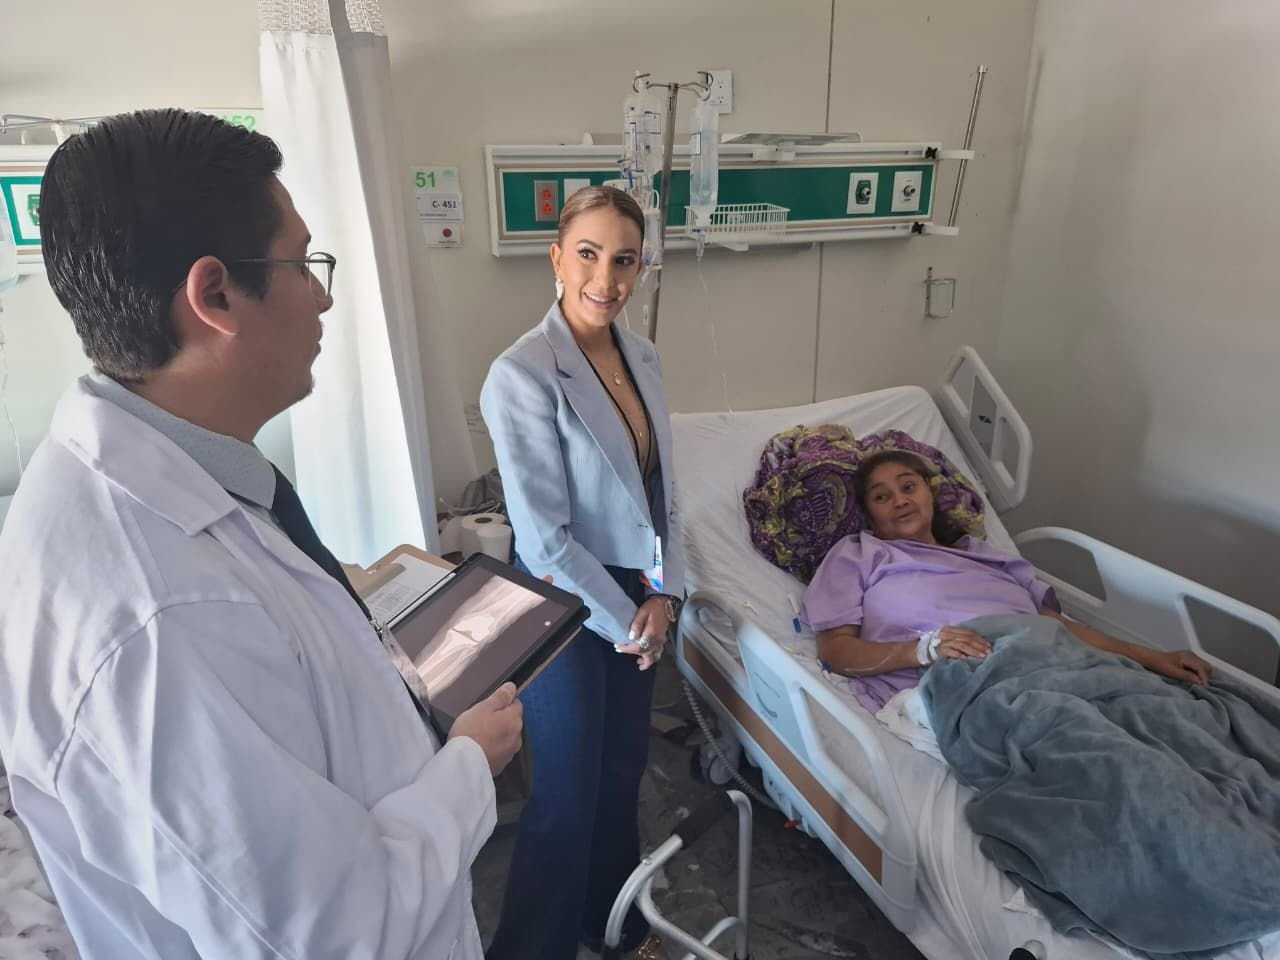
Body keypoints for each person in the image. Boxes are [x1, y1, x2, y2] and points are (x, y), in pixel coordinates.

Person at [0, 109, 523, 960]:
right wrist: (468, 766)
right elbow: (332, 933)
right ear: (214, 296)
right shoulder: (158, 621)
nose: (322, 296)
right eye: (303, 264)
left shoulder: (164, 475)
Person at [479, 186, 684, 959]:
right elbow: (544, 540)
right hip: (562, 601)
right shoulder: (522, 374)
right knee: (566, 792)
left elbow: (661, 495)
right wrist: (630, 617)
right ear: (557, 259)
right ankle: (532, 948)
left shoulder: (643, 357)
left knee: (622, 771)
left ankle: (617, 927)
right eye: (589, 255)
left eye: (624, 260)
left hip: (637, 592)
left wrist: (663, 590)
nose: (606, 278)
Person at [804, 449, 1212, 713]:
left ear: (929, 493)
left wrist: (1150, 657)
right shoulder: (858, 555)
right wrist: (923, 650)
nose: (900, 500)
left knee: (1179, 713)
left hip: (1060, 663)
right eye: (882, 496)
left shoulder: (988, 557)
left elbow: (1056, 626)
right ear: (870, 515)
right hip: (983, 682)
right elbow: (836, 651)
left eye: (909, 486)